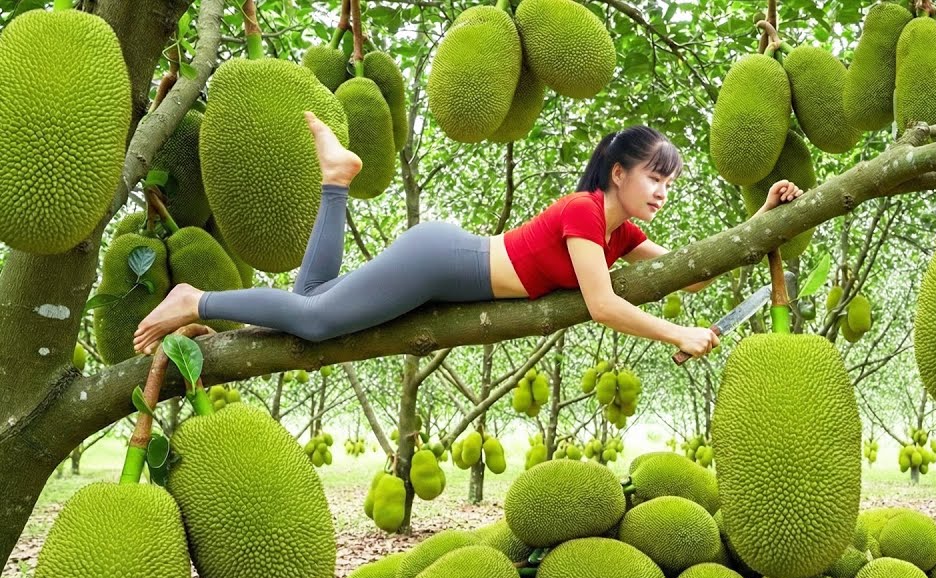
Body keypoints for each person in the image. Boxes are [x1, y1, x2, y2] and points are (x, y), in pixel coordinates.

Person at [132, 113, 804, 359]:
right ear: (619, 172)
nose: (662, 191)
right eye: (655, 177)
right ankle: (197, 300)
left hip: (444, 263)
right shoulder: (581, 213)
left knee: (312, 296)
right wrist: (678, 334)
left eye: (670, 184)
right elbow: (601, 306)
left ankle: (335, 178)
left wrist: (759, 226)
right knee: (311, 322)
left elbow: (693, 271)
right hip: (437, 262)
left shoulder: (617, 235)